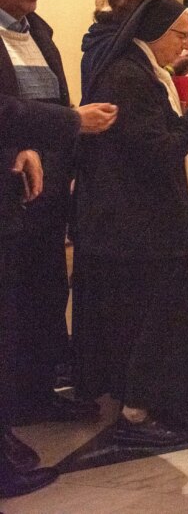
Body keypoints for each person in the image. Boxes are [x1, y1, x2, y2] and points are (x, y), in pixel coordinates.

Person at [73, 0, 188, 447]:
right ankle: (137, 414)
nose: (186, 44)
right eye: (180, 34)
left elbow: (154, 140)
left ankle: (141, 404)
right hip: (143, 224)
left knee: (147, 317)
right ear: (154, 32)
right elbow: (156, 153)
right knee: (156, 319)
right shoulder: (131, 75)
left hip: (137, 220)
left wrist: (187, 127)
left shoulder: (137, 70)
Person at [0, 0, 101, 427]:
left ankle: (38, 392)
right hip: (8, 191)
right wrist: (73, 122)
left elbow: (53, 101)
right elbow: (6, 112)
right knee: (11, 302)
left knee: (46, 291)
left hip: (49, 188)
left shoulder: (37, 30)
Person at [0, 92, 114, 497]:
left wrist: (24, 146)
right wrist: (71, 120)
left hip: (24, 188)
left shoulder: (41, 35)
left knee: (29, 307)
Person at [80, 0, 168, 95]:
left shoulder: (103, 36)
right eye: (158, 5)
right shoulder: (116, 44)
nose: (162, 13)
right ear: (140, 6)